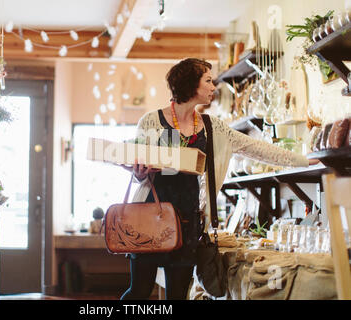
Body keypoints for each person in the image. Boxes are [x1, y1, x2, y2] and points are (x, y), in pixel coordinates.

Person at [120, 58, 317, 300]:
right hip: (149, 220)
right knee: (138, 292)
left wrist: (304, 160)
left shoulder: (212, 127)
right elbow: (137, 165)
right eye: (208, 81)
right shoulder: (151, 121)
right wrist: (137, 173)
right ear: (191, 84)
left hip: (187, 224)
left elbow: (256, 148)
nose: (214, 87)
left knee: (178, 297)